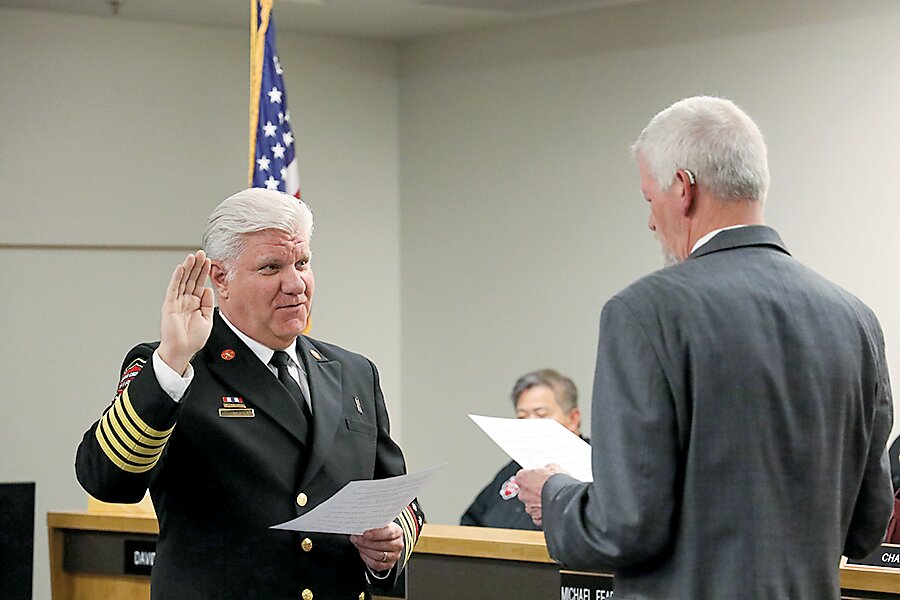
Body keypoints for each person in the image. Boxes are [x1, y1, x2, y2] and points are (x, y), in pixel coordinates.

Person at [516, 96, 894, 599]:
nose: (652, 222)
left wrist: (555, 494)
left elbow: (623, 526)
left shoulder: (645, 311)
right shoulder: (857, 320)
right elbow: (868, 525)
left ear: (683, 189)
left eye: (650, 199)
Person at [76, 189, 424, 600]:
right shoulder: (177, 367)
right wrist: (171, 364)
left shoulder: (354, 371)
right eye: (271, 267)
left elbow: (395, 494)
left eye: (303, 263)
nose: (295, 284)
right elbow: (108, 481)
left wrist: (390, 540)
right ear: (222, 278)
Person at [460, 369, 582, 530]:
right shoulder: (514, 468)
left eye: (541, 414)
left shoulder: (596, 465)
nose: (529, 424)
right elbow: (471, 522)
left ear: (573, 419)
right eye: (522, 417)